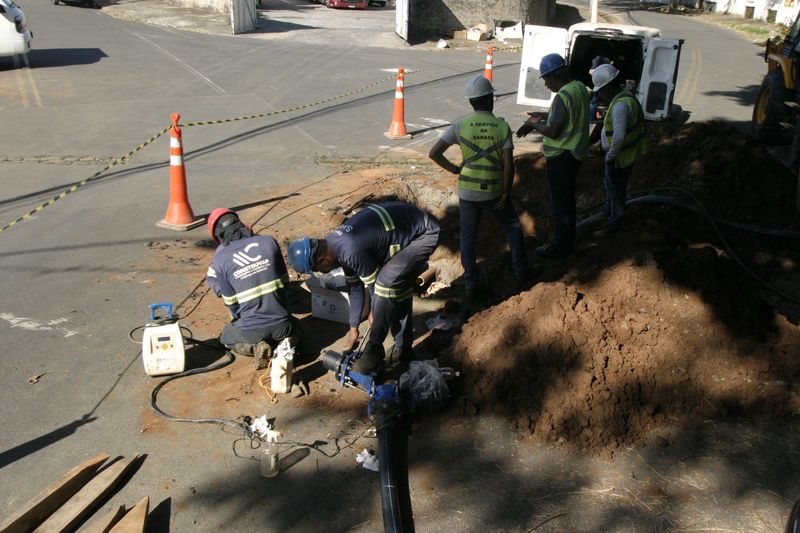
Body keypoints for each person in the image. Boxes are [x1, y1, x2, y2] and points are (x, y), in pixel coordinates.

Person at [287, 201, 440, 374]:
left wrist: (374, 316)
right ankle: (404, 348)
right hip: (409, 230)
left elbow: (377, 291)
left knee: (386, 283)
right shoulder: (336, 246)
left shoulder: (350, 250)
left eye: (318, 270)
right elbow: (355, 288)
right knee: (398, 288)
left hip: (424, 233)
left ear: (323, 261)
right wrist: (353, 327)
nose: (321, 272)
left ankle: (374, 348)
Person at [428, 74, 531, 307]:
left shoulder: (461, 125)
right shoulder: (502, 126)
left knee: (468, 239)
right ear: (490, 99)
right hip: (495, 192)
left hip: (468, 193)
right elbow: (508, 164)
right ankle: (521, 273)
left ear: (471, 101)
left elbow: (433, 153)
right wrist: (505, 194)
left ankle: (472, 285)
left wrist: (455, 169)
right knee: (513, 228)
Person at [516, 53, 590, 259]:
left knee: (560, 204)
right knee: (567, 202)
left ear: (556, 76)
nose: (546, 84)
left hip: (561, 157)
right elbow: (568, 116)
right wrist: (541, 117)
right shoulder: (579, 88)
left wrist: (533, 124)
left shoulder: (562, 96)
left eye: (547, 79)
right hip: (575, 154)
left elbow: (554, 131)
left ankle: (560, 247)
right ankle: (566, 242)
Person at [205, 208, 298, 369]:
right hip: (281, 325)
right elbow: (284, 282)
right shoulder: (269, 241)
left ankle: (254, 347)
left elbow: (231, 303)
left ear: (218, 237)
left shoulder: (220, 259)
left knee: (226, 337)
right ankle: (285, 342)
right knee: (296, 327)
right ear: (243, 225)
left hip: (250, 330)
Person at [591, 63, 647, 235]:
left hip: (620, 158)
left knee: (616, 191)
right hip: (625, 155)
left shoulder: (620, 106)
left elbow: (619, 136)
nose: (600, 95)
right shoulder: (625, 98)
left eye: (600, 91)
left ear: (608, 88)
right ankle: (609, 212)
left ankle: (614, 224)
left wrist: (610, 156)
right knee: (613, 188)